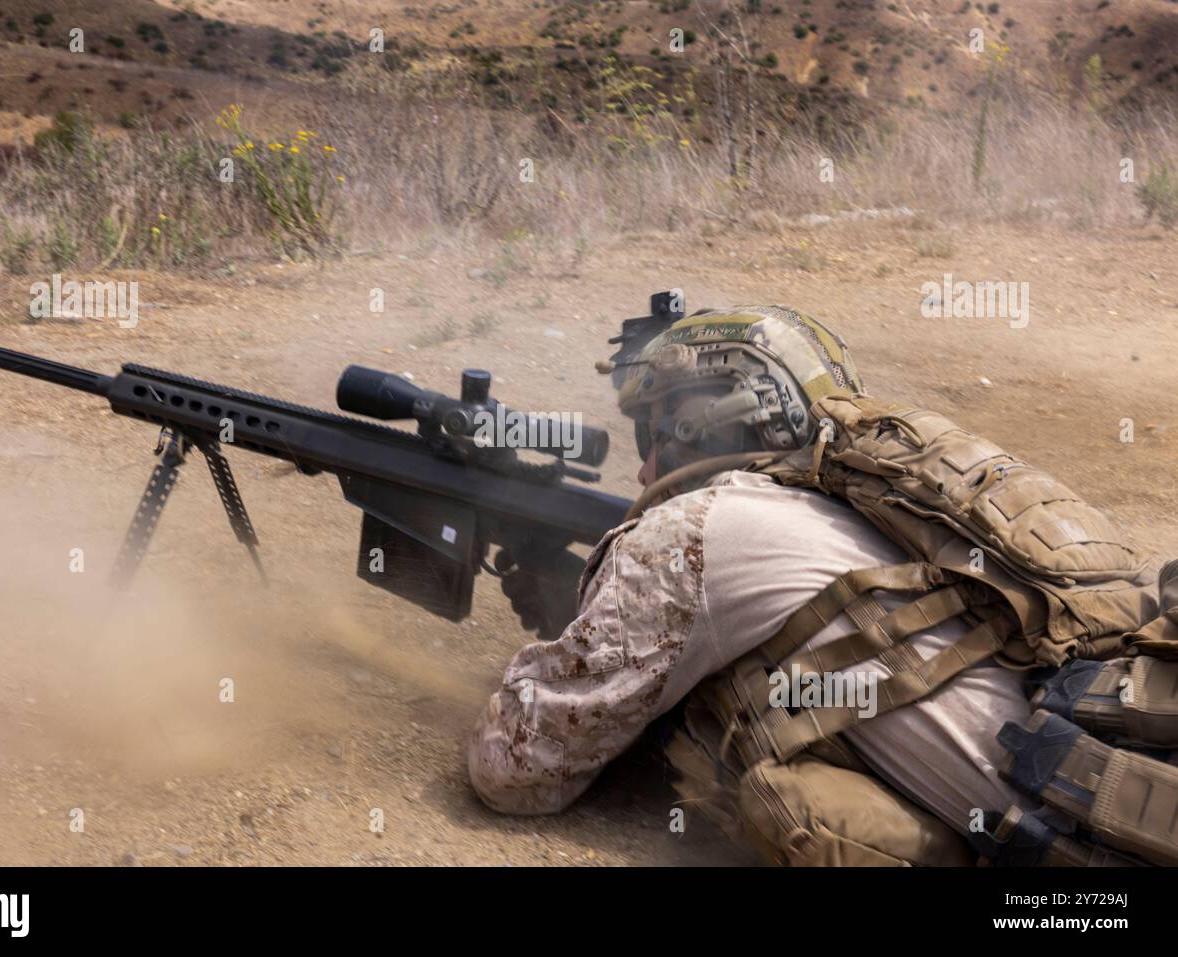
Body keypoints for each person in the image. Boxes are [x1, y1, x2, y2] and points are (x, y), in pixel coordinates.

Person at [468, 298, 1178, 866]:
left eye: (649, 433)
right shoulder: (870, 514)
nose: (642, 467)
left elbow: (521, 767)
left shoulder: (696, 527)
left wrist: (581, 630)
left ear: (697, 423)